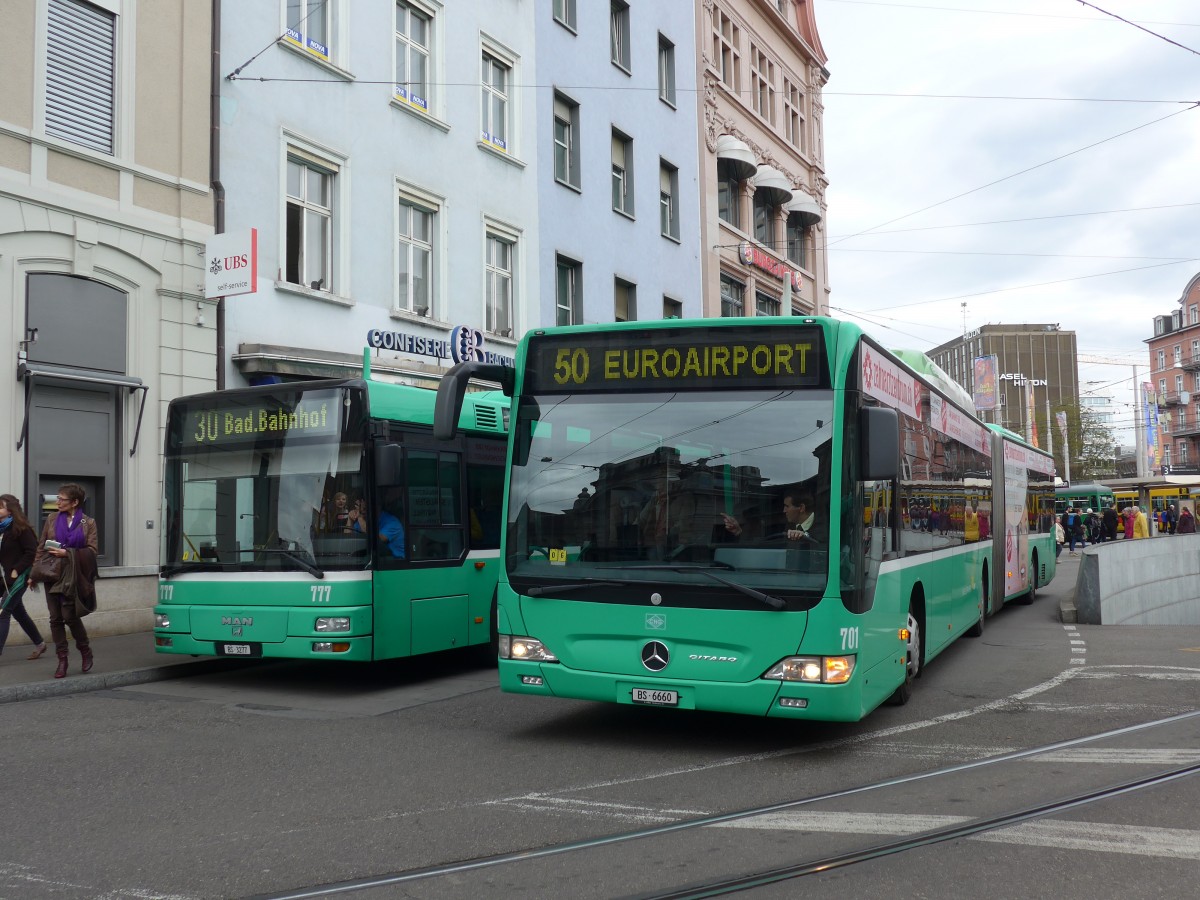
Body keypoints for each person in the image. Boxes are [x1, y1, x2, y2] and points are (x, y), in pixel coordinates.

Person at [30, 483, 98, 679]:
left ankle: (85, 650)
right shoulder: (51, 519)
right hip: (52, 574)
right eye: (57, 498)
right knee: (55, 618)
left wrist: (67, 553)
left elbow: (92, 551)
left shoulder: (88, 523)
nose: (57, 502)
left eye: (62, 499)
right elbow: (41, 547)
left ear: (75, 502)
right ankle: (62, 659)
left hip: (73, 574)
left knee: (70, 616)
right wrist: (33, 575)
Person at [0, 494, 47, 661]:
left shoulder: (21, 529)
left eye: (1, 506)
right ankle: (40, 643)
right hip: (5, 579)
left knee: (3, 612)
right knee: (18, 612)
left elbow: (32, 551)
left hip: (18, 578)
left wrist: (16, 570)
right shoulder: (2, 529)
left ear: (10, 510)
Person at [377, 487, 406, 558]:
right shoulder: (365, 519)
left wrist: (360, 518)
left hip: (398, 562)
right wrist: (350, 520)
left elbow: (379, 539)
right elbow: (349, 535)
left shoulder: (393, 522)